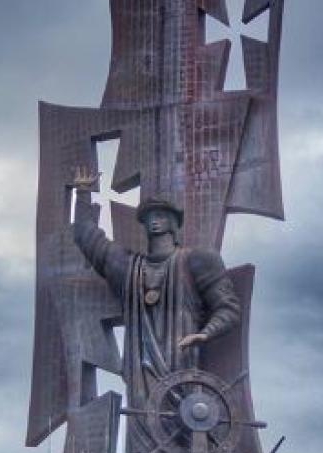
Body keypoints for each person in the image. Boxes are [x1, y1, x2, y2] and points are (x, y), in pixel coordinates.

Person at [69, 171, 241, 429]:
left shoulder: (198, 261)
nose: (154, 222)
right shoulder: (127, 267)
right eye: (149, 218)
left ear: (174, 222)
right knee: (142, 421)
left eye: (161, 216)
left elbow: (228, 308)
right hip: (140, 368)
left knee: (183, 423)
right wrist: (82, 193)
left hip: (181, 360)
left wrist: (205, 334)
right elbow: (87, 237)